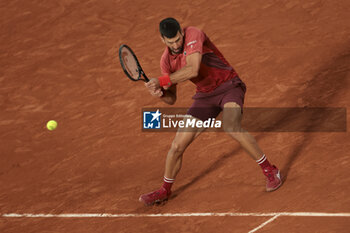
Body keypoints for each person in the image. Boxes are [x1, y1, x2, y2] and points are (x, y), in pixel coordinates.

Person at [140, 17, 282, 206]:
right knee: (177, 146)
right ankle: (164, 190)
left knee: (231, 126)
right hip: (205, 97)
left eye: (178, 39)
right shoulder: (166, 61)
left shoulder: (193, 34)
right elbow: (171, 99)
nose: (176, 44)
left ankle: (270, 170)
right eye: (171, 41)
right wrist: (160, 93)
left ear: (182, 33)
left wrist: (162, 81)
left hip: (229, 86)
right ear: (163, 40)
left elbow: (193, 69)